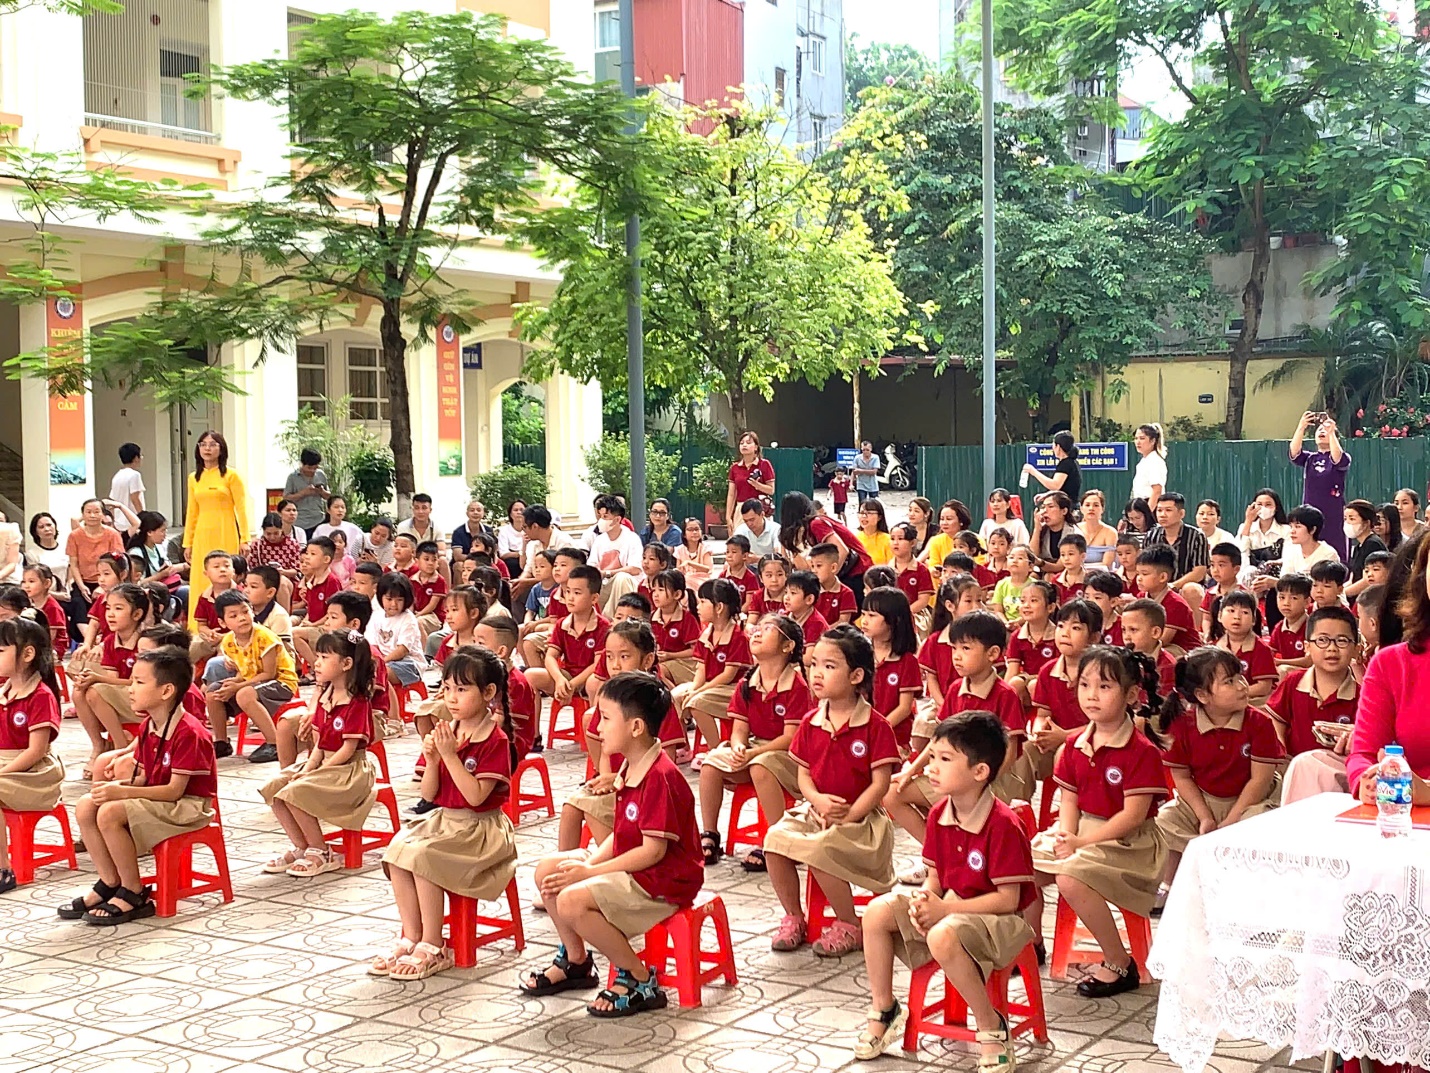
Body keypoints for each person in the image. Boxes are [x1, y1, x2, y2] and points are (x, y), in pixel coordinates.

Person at [854, 710, 1036, 1064]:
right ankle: (885, 1009)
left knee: (942, 935)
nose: (931, 767)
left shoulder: (1003, 824)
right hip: (952, 908)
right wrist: (926, 900)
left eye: (945, 759)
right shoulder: (939, 815)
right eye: (932, 757)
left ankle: (991, 1026)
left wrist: (944, 910)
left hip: (998, 921)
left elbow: (1008, 900)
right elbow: (936, 877)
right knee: (877, 912)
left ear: (980, 772)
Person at [523, 672, 702, 1016]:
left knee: (573, 901)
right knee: (550, 871)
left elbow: (653, 852)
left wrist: (590, 870)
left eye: (605, 718)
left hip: (664, 880)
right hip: (638, 867)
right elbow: (622, 837)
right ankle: (576, 961)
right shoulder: (631, 767)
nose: (597, 727)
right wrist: (585, 868)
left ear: (636, 727)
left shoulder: (660, 777)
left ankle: (638, 978)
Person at [1028, 646, 1167, 997]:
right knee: (1020, 869)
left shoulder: (1141, 750)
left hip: (1130, 843)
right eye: (1085, 685)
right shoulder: (1073, 744)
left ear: (1131, 695)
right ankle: (1031, 944)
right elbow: (1070, 800)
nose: (1092, 695)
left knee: (1070, 878)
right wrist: (1065, 835)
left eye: (1105, 687)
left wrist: (1079, 845)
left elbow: (1133, 816)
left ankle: (1120, 962)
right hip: (1084, 832)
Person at [372, 646, 518, 980]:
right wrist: (435, 760)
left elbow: (476, 796)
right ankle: (411, 934)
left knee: (424, 857)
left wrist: (450, 756)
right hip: (445, 821)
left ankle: (434, 944)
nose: (451, 698)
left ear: (489, 693)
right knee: (397, 853)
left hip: (481, 831)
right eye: (447, 688)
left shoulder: (494, 740)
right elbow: (428, 795)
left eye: (462, 689)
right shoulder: (447, 730)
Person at [763, 626, 899, 957]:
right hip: (816, 810)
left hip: (863, 821)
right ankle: (794, 916)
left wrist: (850, 814)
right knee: (774, 841)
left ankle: (849, 923)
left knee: (821, 849)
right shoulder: (811, 721)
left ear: (856, 676)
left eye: (829, 666)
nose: (817, 673)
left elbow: (880, 784)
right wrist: (819, 801)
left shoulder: (875, 725)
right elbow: (804, 777)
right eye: (814, 665)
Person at [58, 645, 216, 925]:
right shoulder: (149, 725)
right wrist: (117, 785)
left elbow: (174, 791)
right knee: (86, 805)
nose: (130, 688)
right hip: (161, 799)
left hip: (188, 806)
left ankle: (134, 891)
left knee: (110, 812)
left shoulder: (189, 732)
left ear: (166, 691)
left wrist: (123, 792)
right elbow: (142, 777)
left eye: (139, 682)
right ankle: (110, 881)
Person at [1154, 645, 1283, 899]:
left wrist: (1232, 821)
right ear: (1202, 695)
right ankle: (1170, 884)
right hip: (1205, 799)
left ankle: (1248, 888)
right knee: (1165, 818)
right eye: (1229, 681)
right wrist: (1205, 817)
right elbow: (1181, 777)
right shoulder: (1183, 725)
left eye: (1240, 678)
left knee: (1255, 823)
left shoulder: (1259, 723)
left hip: (1251, 800)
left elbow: (1260, 780)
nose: (1241, 685)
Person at [260, 628, 377, 878]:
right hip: (324, 763)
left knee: (296, 792)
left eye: (324, 657)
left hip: (348, 771)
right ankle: (301, 846)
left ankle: (322, 851)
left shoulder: (357, 702)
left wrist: (318, 772)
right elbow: (320, 744)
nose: (317, 662)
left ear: (346, 663)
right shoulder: (325, 695)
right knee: (277, 788)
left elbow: (347, 749)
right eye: (318, 656)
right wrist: (308, 768)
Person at [698, 615, 812, 869]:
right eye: (757, 628)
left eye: (768, 629)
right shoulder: (747, 684)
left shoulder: (796, 685)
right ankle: (710, 835)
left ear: (787, 646)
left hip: (789, 755)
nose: (758, 633)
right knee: (711, 764)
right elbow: (740, 729)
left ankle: (776, 841)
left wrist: (753, 753)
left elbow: (791, 737)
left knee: (762, 765)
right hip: (756, 749)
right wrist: (739, 745)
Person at [1348, 535, 1430, 804]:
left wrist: (1425, 793)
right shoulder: (1391, 663)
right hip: (1402, 817)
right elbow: (1364, 753)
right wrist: (1367, 779)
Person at [0, 614, 64, 893]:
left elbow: (36, 751)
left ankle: (4, 868)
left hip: (34, 773)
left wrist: (2, 771)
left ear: (27, 654)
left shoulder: (40, 696)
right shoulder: (5, 689)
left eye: (0, 650)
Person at [204, 590, 295, 762]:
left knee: (243, 694)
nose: (242, 618)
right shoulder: (228, 642)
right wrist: (234, 681)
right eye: (234, 615)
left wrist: (238, 686)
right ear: (222, 622)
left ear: (252, 611)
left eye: (245, 611)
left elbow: (269, 674)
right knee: (213, 691)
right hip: (254, 682)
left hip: (281, 682)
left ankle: (274, 743)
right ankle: (222, 742)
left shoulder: (264, 637)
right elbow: (244, 670)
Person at [671, 578, 751, 758]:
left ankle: (716, 750)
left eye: (703, 602)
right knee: (675, 696)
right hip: (711, 685)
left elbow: (728, 675)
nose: (697, 606)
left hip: (734, 688)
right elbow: (701, 670)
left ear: (719, 607)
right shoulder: (707, 634)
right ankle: (683, 745)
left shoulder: (737, 636)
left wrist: (699, 692)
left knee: (697, 702)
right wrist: (694, 688)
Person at [182, 431, 249, 629]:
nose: (207, 448)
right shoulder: (194, 478)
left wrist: (244, 538)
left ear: (221, 449)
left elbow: (242, 508)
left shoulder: (231, 475)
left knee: (224, 575)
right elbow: (192, 511)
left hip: (225, 530)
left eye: (213, 444)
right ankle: (198, 626)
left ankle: (231, 622)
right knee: (201, 579)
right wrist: (188, 542)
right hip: (202, 533)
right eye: (203, 444)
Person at [1289, 412, 1351, 560]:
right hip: (1311, 511)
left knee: (1335, 547)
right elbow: (1294, 452)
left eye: (1326, 429)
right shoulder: (1310, 458)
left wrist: (1332, 433)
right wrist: (1301, 427)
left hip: (1333, 512)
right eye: (1319, 430)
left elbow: (1338, 458)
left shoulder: (1341, 457)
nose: (1322, 431)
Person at [1143, 492, 1210, 611]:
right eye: (1159, 510)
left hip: (1184, 585)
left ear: (1181, 513)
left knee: (1191, 589)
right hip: (1157, 585)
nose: (1162, 515)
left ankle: (1195, 629)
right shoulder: (1151, 535)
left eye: (1168, 510)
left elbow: (1199, 571)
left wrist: (1173, 585)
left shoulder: (1196, 536)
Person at [66, 498, 125, 626]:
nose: (92, 515)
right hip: (83, 582)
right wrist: (81, 587)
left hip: (108, 583)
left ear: (103, 514)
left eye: (97, 511)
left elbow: (118, 563)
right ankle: (86, 639)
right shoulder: (74, 536)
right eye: (88, 512)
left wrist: (102, 587)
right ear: (83, 515)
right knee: (78, 604)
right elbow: (74, 565)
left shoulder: (112, 534)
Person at [725, 429, 776, 527]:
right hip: (741, 508)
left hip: (759, 507)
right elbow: (731, 494)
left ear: (756, 447)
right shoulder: (735, 467)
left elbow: (771, 490)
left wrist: (757, 485)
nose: (744, 445)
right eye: (742, 443)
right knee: (740, 539)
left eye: (748, 443)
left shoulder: (764, 464)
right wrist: (728, 517)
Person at [1021, 430, 1083, 504]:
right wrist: (1046, 495)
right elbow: (1063, 490)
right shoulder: (1070, 462)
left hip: (1068, 507)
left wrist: (1033, 471)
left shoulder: (1066, 464)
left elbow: (1055, 485)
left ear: (1058, 447)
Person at [1344, 499, 1388, 595]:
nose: (1347, 523)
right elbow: (1353, 578)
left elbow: (1367, 580)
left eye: (1352, 519)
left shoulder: (1373, 544)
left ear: (1366, 523)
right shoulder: (1357, 547)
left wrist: (1343, 594)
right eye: (1345, 519)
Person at [1028, 492, 1078, 573]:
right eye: (1043, 507)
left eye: (1050, 506)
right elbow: (1031, 555)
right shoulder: (1043, 530)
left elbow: (1059, 567)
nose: (1044, 511)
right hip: (1043, 571)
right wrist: (1037, 529)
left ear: (1064, 511)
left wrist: (1040, 563)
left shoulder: (1074, 533)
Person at [283, 449, 330, 535]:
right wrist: (303, 493)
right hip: (299, 521)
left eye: (315, 468)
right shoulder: (292, 477)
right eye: (309, 468)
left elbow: (328, 496)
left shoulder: (320, 475)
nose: (312, 471)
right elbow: (286, 498)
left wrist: (321, 491)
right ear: (302, 464)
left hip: (318, 519)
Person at [107, 443, 146, 537]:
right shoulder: (135, 475)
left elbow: (112, 501)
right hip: (132, 521)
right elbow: (135, 498)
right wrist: (142, 517)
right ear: (136, 458)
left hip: (119, 522)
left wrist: (113, 521)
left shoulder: (117, 476)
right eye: (140, 455)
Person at [1078, 491, 1119, 567]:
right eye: (1087, 505)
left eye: (1096, 505)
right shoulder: (1075, 529)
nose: (1091, 508)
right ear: (1081, 508)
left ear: (1102, 509)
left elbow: (1106, 564)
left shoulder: (1110, 532)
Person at [1130, 423, 1167, 503]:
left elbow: (1157, 491)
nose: (1138, 442)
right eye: (1136, 438)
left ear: (1152, 440)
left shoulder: (1154, 461)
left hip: (1150, 505)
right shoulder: (1144, 461)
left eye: (1142, 438)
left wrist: (1147, 513)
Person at [497, 500, 527, 577]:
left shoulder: (531, 529)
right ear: (510, 514)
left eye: (521, 510)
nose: (519, 512)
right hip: (511, 562)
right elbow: (503, 554)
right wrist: (520, 553)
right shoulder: (504, 531)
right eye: (515, 510)